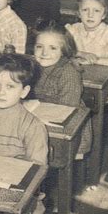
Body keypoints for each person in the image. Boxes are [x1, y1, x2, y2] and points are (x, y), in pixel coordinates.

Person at [32, 20, 91, 156]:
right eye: (39, 46)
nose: (44, 53)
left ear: (64, 51)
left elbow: (67, 109)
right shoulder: (31, 66)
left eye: (53, 48)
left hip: (67, 126)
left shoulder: (68, 72)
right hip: (40, 119)